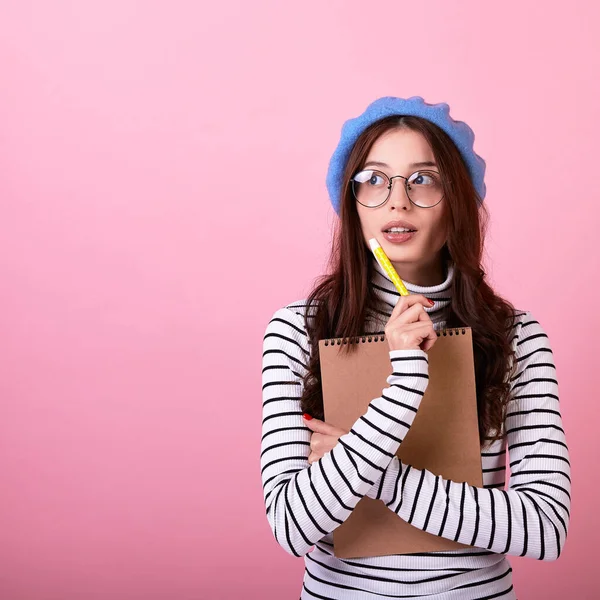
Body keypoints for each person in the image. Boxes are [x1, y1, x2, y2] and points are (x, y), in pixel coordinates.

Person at [260, 96, 570, 599]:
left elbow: (544, 527)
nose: (397, 201)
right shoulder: (298, 329)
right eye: (374, 179)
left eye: (424, 179)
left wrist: (380, 476)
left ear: (459, 201)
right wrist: (405, 379)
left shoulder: (516, 335)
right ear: (351, 202)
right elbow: (292, 527)